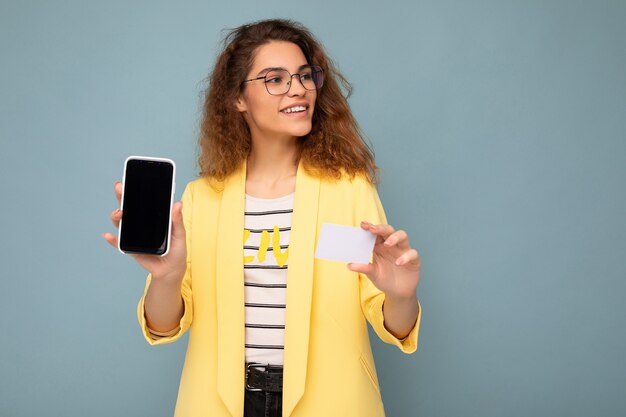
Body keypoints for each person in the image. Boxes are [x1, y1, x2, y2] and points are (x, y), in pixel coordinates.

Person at [103, 18, 421, 417]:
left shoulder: (350, 191)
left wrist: (400, 294)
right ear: (238, 98)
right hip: (220, 403)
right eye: (275, 79)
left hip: (331, 403)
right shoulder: (201, 199)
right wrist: (166, 278)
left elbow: (394, 324)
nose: (299, 89)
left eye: (306, 76)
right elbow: (164, 325)